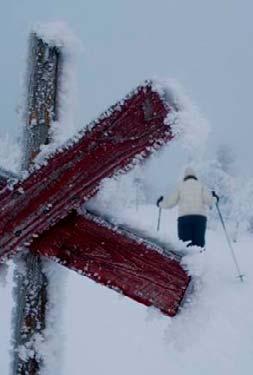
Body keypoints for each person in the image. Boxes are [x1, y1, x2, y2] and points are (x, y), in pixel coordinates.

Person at [157, 167, 219, 249]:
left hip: (184, 218)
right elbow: (210, 201)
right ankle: (198, 260)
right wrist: (215, 198)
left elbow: (170, 204)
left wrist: (160, 203)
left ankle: (184, 260)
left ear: (185, 176)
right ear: (195, 176)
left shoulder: (180, 186)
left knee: (184, 246)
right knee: (199, 246)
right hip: (200, 219)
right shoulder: (201, 185)